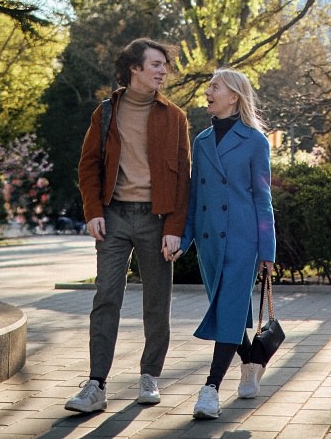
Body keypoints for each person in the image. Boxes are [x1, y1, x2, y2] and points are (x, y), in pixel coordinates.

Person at [64, 38, 191, 414]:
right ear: (134, 68)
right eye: (155, 64)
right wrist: (92, 211)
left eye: (164, 66)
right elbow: (88, 166)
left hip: (156, 219)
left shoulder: (175, 117)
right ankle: (96, 384)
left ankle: (150, 376)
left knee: (157, 302)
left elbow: (183, 177)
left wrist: (175, 227)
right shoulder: (105, 113)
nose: (162, 71)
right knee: (106, 298)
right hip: (114, 216)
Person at [179, 68, 277, 420]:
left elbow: (263, 198)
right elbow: (195, 195)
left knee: (230, 308)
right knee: (228, 313)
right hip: (208, 241)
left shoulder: (255, 141)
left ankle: (210, 389)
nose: (208, 91)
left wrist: (268, 250)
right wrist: (186, 236)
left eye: (214, 86)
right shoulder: (202, 140)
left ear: (233, 96)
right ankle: (252, 361)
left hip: (242, 239)